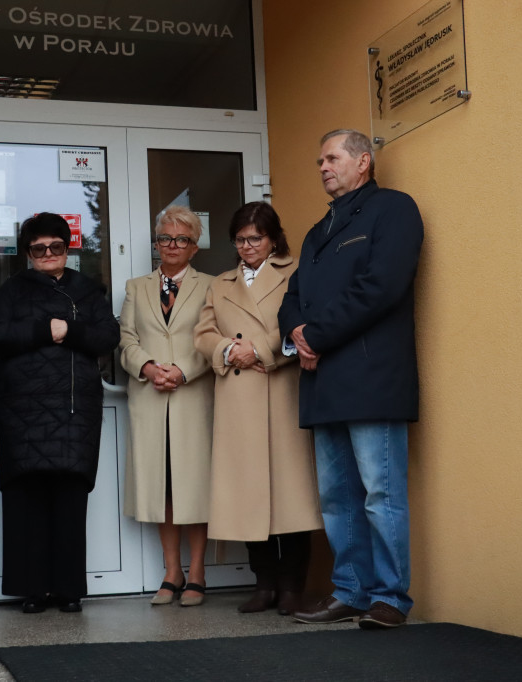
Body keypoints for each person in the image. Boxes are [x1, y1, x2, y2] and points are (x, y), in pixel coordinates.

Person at [278, 129, 423, 629]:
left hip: (372, 378)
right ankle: (351, 591)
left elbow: (381, 286)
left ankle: (390, 598)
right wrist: (296, 332)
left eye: (332, 158)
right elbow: (292, 296)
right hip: (322, 382)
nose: (322, 167)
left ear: (364, 162)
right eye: (319, 160)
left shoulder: (394, 209)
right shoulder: (318, 230)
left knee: (381, 494)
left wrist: (314, 335)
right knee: (338, 498)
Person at [0, 212, 119, 614]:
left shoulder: (88, 289)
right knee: (26, 500)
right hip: (22, 410)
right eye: (39, 248)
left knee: (69, 499)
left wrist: (69, 331)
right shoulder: (10, 291)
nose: (47, 254)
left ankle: (68, 589)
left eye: (56, 247)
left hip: (74, 411)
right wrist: (48, 331)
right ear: (28, 253)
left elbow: (107, 336)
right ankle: (32, 590)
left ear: (67, 249)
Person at [194, 202, 322, 616]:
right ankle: (263, 585)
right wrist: (230, 349)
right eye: (240, 239)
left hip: (282, 389)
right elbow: (203, 333)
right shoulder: (220, 283)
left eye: (256, 239)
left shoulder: (296, 270)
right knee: (247, 495)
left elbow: (305, 321)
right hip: (238, 397)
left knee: (293, 497)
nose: (247, 247)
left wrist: (261, 349)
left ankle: (291, 589)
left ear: (273, 238)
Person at [120, 206, 213, 607]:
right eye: (164, 238)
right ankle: (171, 571)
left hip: (193, 395)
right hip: (149, 395)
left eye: (181, 239)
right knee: (163, 487)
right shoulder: (135, 287)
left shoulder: (213, 286)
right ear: (156, 243)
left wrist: (183, 370)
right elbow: (125, 339)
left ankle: (198, 573)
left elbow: (213, 339)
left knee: (194, 484)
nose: (171, 246)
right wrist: (146, 366)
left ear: (194, 247)